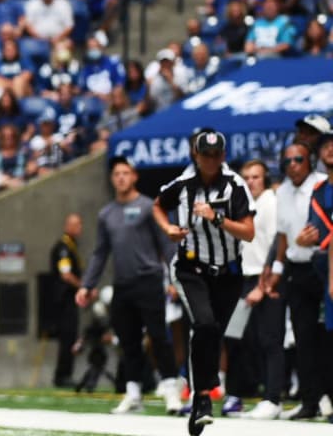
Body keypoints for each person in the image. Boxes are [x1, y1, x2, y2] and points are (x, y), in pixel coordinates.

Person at [154, 129, 254, 434]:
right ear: (195, 156)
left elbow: (248, 232)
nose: (210, 161)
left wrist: (217, 218)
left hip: (228, 272)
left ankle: (203, 388)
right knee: (205, 325)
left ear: (222, 156)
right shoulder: (183, 184)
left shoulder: (235, 185)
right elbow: (157, 204)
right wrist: (168, 228)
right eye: (204, 155)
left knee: (215, 333)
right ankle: (201, 398)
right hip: (190, 268)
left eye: (215, 155)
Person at [76, 157, 183, 415]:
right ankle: (133, 394)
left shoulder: (149, 207)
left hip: (149, 281)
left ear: (134, 176)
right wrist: (87, 285)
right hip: (122, 285)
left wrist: (176, 280)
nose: (121, 177)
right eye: (117, 174)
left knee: (158, 337)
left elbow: (167, 245)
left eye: (126, 173)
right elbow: (100, 253)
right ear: (112, 179)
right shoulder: (106, 214)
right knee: (128, 341)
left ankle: (171, 391)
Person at [261, 141, 331, 420]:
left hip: (324, 265)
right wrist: (277, 268)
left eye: (298, 159)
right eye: (287, 161)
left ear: (309, 161)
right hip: (297, 267)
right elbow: (282, 235)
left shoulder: (323, 185)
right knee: (303, 338)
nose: (292, 165)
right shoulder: (282, 191)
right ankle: (310, 400)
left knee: (328, 337)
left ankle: (328, 396)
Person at [227, 159, 284, 419]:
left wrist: (264, 284)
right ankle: (242, 394)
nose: (250, 181)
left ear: (265, 178)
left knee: (271, 339)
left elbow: (277, 244)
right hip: (246, 277)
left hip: (268, 276)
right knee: (239, 337)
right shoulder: (245, 205)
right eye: (246, 177)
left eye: (255, 177)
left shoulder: (271, 203)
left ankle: (273, 398)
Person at [49, 213, 83, 388]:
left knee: (71, 336)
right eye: (76, 225)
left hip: (70, 299)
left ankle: (65, 373)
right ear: (67, 226)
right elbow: (66, 275)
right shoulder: (63, 248)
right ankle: (62, 375)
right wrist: (83, 287)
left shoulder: (72, 245)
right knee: (67, 337)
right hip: (64, 300)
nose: (79, 229)